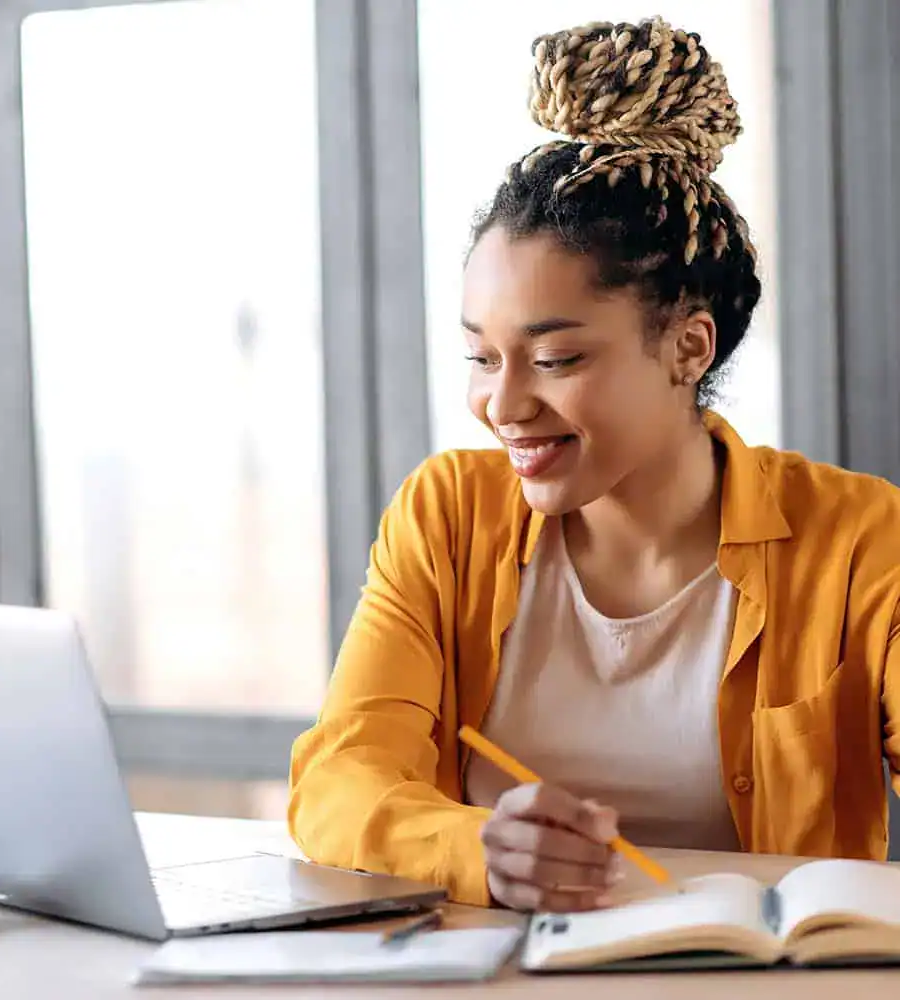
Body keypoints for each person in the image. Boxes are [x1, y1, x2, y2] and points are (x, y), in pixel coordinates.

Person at [288, 16, 900, 913]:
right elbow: (339, 779)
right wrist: (477, 849)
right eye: (482, 357)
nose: (504, 405)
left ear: (688, 348)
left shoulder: (855, 536)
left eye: (556, 359)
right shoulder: (447, 515)